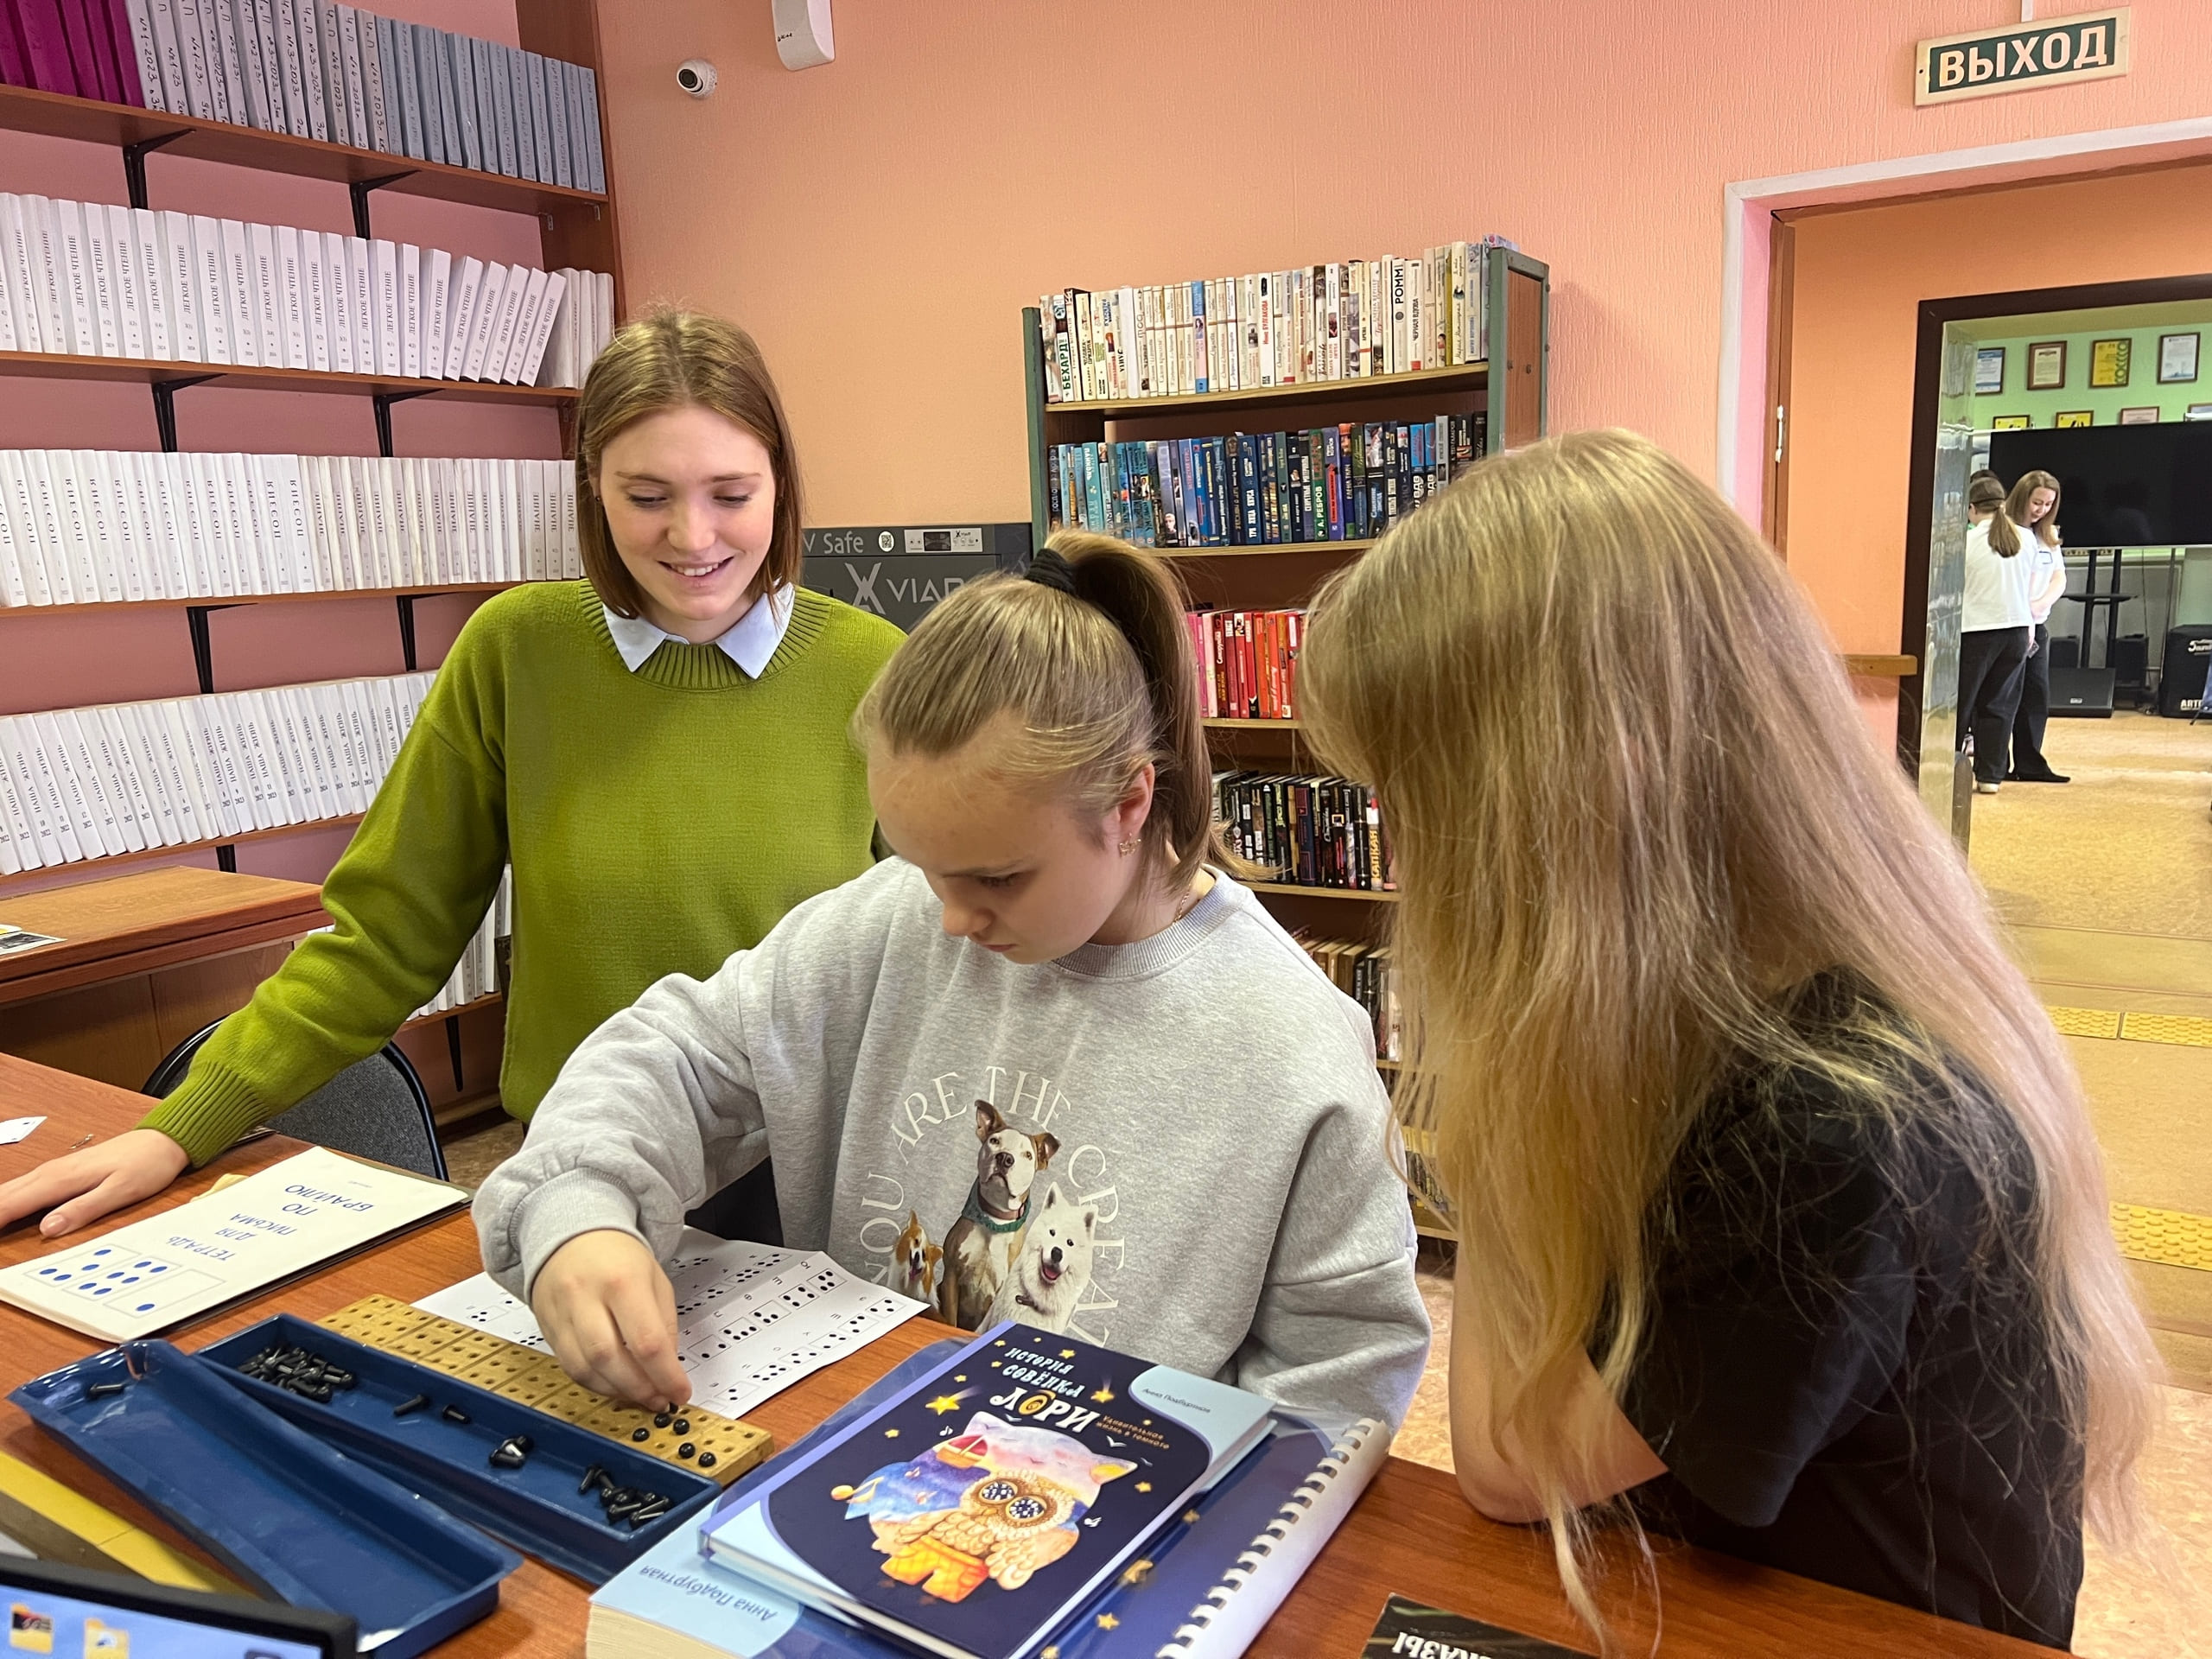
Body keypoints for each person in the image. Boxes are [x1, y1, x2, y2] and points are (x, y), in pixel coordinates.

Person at [1298, 431, 2152, 1649]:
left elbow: (1502, 1457)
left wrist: (1490, 1058)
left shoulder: (1830, 1122)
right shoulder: (1773, 989)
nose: (1404, 863)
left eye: (1418, 801)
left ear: (1567, 795)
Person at [474, 531, 1430, 1429]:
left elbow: (1337, 1388)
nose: (951, 920)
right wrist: (579, 1211)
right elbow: (676, 1053)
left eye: (997, 878)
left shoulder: (1291, 1044)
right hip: (850, 1457)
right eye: (925, 866)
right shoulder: (891, 921)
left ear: (1131, 803)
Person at [0, 310, 903, 1238]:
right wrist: (178, 1129)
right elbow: (386, 936)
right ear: (592, 489)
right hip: (583, 1172)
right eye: (646, 496)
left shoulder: (874, 668)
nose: (692, 534)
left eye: (730, 494)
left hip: (817, 1173)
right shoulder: (516, 651)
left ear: (780, 483)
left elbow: (942, 945)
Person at [1957, 474, 2035, 795]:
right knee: (2000, 705)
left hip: (1975, 631)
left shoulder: (1966, 541)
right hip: (2016, 630)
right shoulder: (2026, 538)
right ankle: (1990, 777)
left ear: (1972, 508)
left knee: (1962, 704)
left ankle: (1948, 769)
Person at [2007, 469, 2069, 784]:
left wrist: (2038, 606)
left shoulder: (2049, 536)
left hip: (2037, 625)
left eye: (2048, 505)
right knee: (2003, 697)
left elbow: (2059, 577)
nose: (2041, 510)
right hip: (2007, 627)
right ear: (2023, 498)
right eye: (2037, 503)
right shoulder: (2004, 531)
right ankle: (1994, 764)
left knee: (2035, 694)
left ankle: (2030, 764)